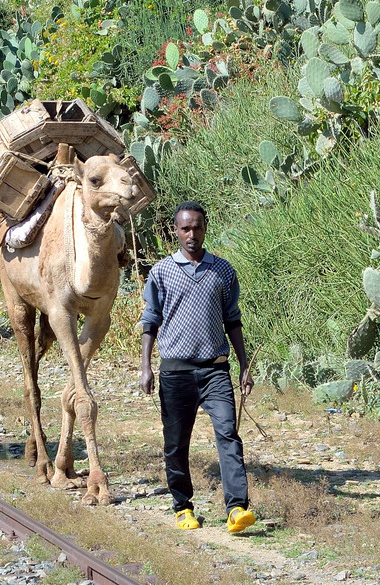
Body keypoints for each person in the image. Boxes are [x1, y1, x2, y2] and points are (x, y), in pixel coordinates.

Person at [139, 202, 255, 534]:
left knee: (228, 434)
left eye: (198, 227)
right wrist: (146, 367)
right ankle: (182, 507)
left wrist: (244, 364)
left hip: (215, 369)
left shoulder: (223, 271)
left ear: (206, 229)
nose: (192, 234)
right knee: (176, 441)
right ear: (176, 231)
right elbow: (150, 321)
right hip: (175, 372)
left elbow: (232, 320)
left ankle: (236, 508)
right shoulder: (161, 272)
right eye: (185, 228)